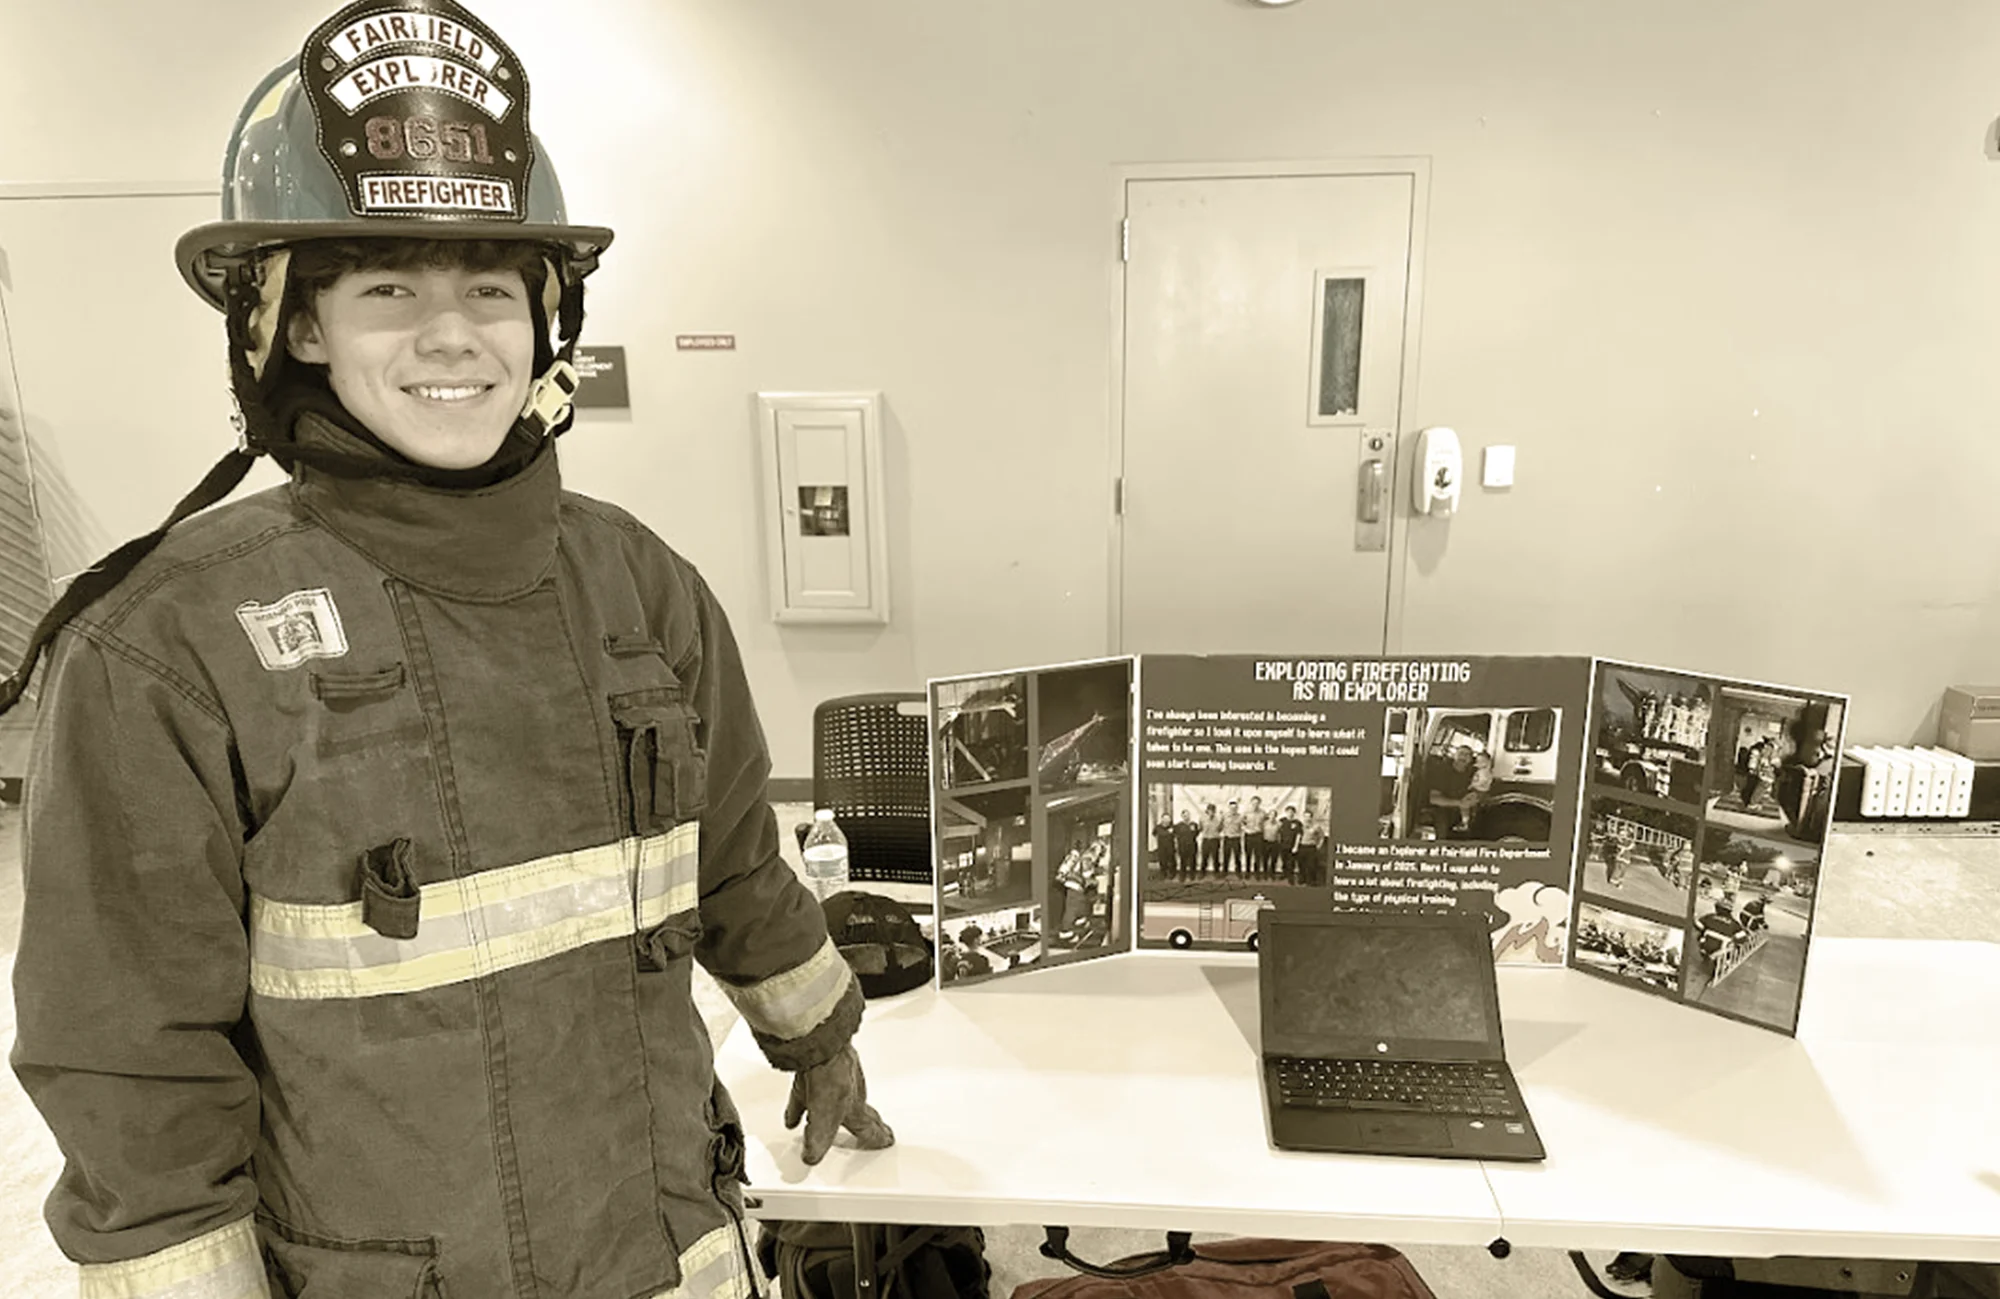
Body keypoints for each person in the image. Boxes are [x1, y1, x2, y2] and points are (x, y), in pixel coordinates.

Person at [2, 5, 890, 1297]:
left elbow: (733, 854)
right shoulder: (170, 644)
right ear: (293, 328)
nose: (451, 334)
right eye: (388, 290)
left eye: (489, 285)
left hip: (667, 1242)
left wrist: (817, 1031)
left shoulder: (635, 578)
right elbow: (129, 1048)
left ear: (548, 320)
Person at [1426, 743, 1479, 837]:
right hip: (1441, 810)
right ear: (1454, 755)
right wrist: (1459, 803)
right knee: (1441, 819)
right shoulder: (1442, 771)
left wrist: (1474, 797)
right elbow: (1433, 798)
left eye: (1467, 755)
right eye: (1461, 753)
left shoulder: (1472, 774)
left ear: (1471, 760)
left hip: (1462, 811)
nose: (1463, 757)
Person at [1172, 808, 1201, 883]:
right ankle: (1182, 876)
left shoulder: (1194, 824)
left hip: (1192, 846)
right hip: (1182, 846)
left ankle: (1192, 875)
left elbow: (1196, 833)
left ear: (1190, 816)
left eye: (1187, 815)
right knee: (1183, 862)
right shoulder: (1178, 825)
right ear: (1182, 816)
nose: (1186, 817)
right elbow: (1174, 834)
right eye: (1184, 815)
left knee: (1192, 861)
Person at [1198, 801, 1223, 876]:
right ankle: (1202, 872)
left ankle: (1216, 873)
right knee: (1204, 857)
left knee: (1215, 857)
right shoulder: (1202, 818)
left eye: (1213, 811)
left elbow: (1220, 829)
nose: (1211, 812)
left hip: (1215, 840)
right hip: (1206, 840)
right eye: (1210, 810)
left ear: (1215, 811)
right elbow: (1200, 828)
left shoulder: (1218, 819)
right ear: (1207, 811)